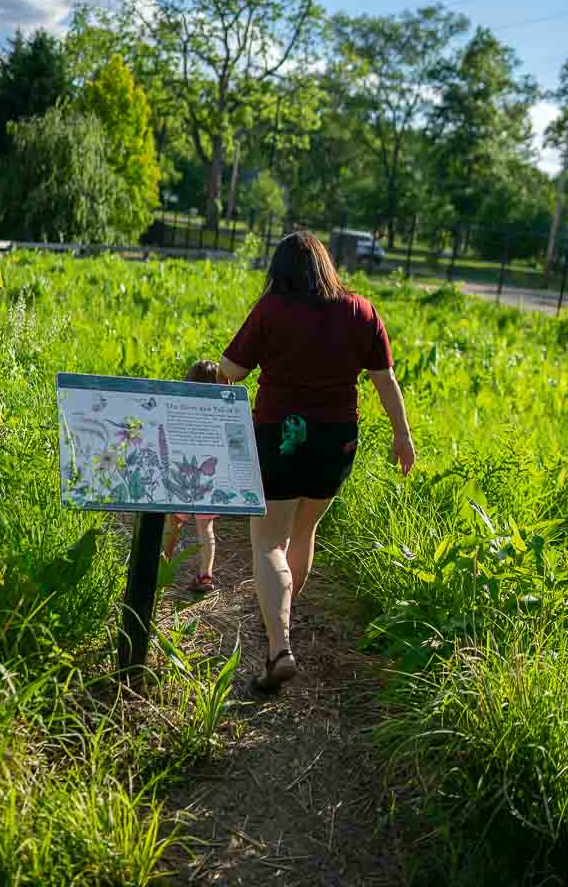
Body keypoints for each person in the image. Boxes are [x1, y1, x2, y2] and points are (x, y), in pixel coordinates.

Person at [218, 231, 415, 691]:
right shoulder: (360, 310)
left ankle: (278, 644)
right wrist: (402, 435)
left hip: (278, 436)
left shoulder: (272, 308)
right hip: (337, 441)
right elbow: (385, 380)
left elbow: (232, 371)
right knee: (304, 531)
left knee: (268, 540)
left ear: (279, 270)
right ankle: (281, 616)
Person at [162, 359, 220, 594]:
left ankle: (163, 564)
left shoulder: (182, 408)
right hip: (208, 479)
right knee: (206, 528)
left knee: (173, 520)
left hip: (185, 478)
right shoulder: (219, 410)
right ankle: (205, 575)